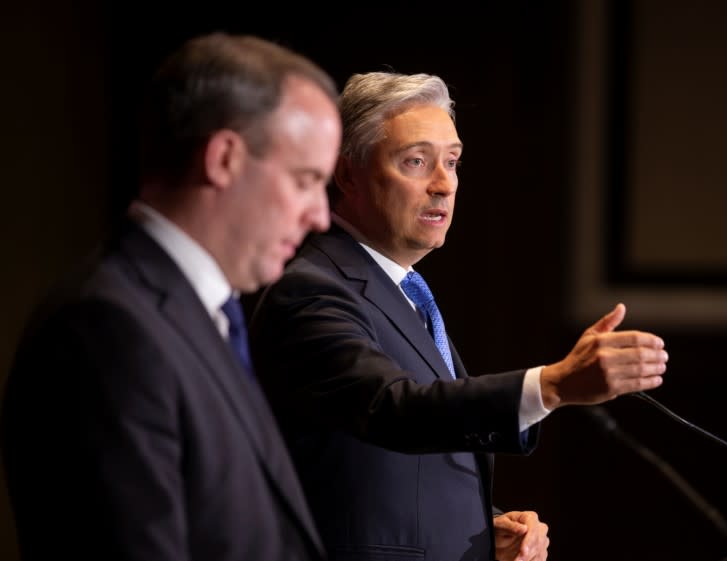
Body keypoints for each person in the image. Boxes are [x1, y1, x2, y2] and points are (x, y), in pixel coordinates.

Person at [247, 71, 669, 561]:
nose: (444, 185)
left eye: (452, 161)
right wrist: (550, 385)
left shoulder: (405, 291)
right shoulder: (312, 288)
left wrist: (483, 529)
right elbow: (391, 408)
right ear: (346, 174)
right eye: (416, 161)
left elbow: (381, 472)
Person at [1, 32, 341, 561]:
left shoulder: (204, 317)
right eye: (306, 180)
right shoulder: (106, 330)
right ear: (225, 158)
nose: (320, 215)